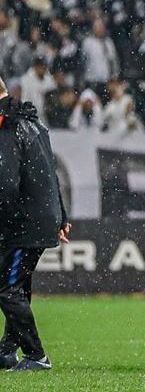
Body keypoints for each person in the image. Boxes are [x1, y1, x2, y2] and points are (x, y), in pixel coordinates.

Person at [0, 75, 70, 371]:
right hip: (40, 219)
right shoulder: (33, 124)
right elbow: (50, 174)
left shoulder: (9, 128)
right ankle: (6, 351)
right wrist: (61, 216)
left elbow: (6, 183)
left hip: (22, 224)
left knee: (5, 288)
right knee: (17, 285)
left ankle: (36, 356)